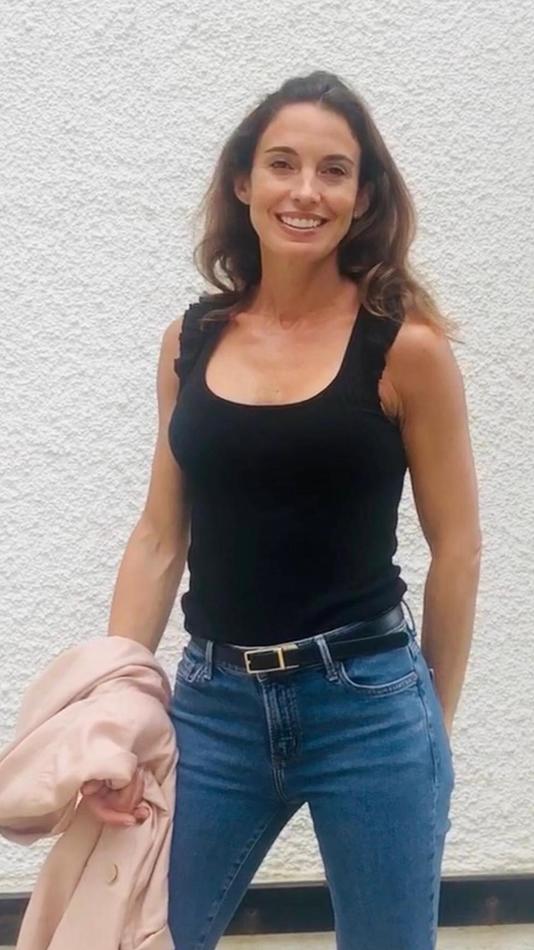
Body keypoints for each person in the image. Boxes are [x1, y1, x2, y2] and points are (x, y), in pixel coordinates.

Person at [82, 71, 482, 949]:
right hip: (214, 705)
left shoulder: (404, 348)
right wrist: (110, 715)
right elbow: (159, 539)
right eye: (282, 164)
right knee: (137, 933)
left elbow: (458, 548)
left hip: (368, 704)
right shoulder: (191, 343)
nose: (306, 191)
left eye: (334, 170)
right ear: (243, 180)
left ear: (363, 196)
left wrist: (431, 726)